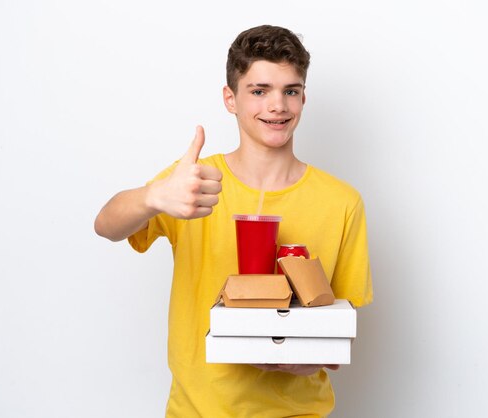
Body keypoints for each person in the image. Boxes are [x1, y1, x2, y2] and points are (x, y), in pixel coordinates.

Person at [95, 24, 373, 418]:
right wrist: (154, 196)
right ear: (231, 98)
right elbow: (105, 225)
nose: (277, 106)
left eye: (290, 91)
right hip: (197, 410)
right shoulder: (192, 183)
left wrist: (309, 358)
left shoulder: (342, 202)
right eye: (259, 91)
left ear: (303, 98)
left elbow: (340, 335)